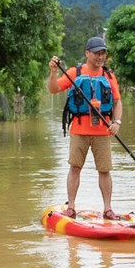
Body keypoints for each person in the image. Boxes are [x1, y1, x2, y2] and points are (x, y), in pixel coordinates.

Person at [48, 36, 123, 218]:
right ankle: (71, 207)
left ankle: (107, 209)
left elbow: (117, 101)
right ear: (87, 53)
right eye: (97, 53)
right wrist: (53, 73)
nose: (100, 56)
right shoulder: (75, 72)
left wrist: (117, 122)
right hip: (79, 131)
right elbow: (53, 89)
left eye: (103, 53)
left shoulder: (108, 75)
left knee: (104, 170)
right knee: (75, 168)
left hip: (102, 132)